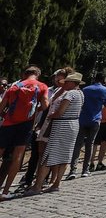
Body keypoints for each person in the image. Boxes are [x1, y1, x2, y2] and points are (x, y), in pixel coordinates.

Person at [30, 71, 84, 194]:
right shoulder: (81, 94)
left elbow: (60, 112)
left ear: (72, 82)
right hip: (73, 125)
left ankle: (37, 186)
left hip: (61, 125)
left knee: (49, 154)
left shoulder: (69, 94)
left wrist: (51, 116)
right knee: (65, 155)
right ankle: (56, 183)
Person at [0, 66, 48, 199]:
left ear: (24, 74)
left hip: (8, 124)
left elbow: (2, 107)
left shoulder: (15, 86)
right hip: (26, 125)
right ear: (37, 75)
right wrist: (35, 110)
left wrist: (6, 115)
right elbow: (45, 106)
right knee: (17, 157)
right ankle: (5, 191)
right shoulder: (42, 86)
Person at [67, 74, 106, 179]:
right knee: (90, 145)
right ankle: (85, 170)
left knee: (78, 145)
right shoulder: (105, 90)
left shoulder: (85, 89)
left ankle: (73, 170)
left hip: (83, 118)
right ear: (103, 80)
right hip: (95, 119)